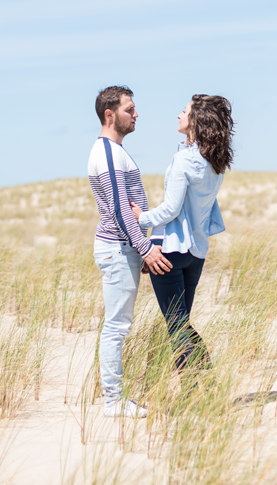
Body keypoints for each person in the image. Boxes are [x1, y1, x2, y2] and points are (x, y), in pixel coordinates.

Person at [130, 94, 233, 386]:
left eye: (184, 111)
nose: (178, 115)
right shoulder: (215, 162)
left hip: (172, 251)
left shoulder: (184, 161)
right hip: (196, 252)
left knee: (176, 325)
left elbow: (171, 210)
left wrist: (141, 219)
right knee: (181, 322)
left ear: (195, 121)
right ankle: (201, 385)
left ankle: (194, 389)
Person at [87, 85, 172, 419]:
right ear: (110, 115)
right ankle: (112, 401)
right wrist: (145, 248)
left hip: (124, 248)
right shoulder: (107, 153)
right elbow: (122, 210)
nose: (136, 115)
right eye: (129, 109)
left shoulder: (116, 151)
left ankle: (114, 398)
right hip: (118, 247)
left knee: (118, 325)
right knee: (117, 327)